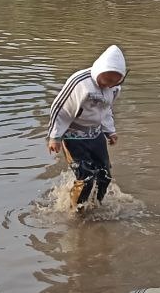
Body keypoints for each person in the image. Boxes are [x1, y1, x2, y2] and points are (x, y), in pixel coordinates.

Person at [47, 45, 127, 207]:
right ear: (99, 71)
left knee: (105, 175)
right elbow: (59, 108)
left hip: (95, 134)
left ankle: (96, 205)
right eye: (107, 79)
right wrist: (54, 137)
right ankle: (75, 214)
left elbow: (106, 109)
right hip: (73, 135)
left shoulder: (114, 87)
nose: (109, 85)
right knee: (86, 178)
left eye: (114, 81)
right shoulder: (80, 82)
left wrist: (110, 131)